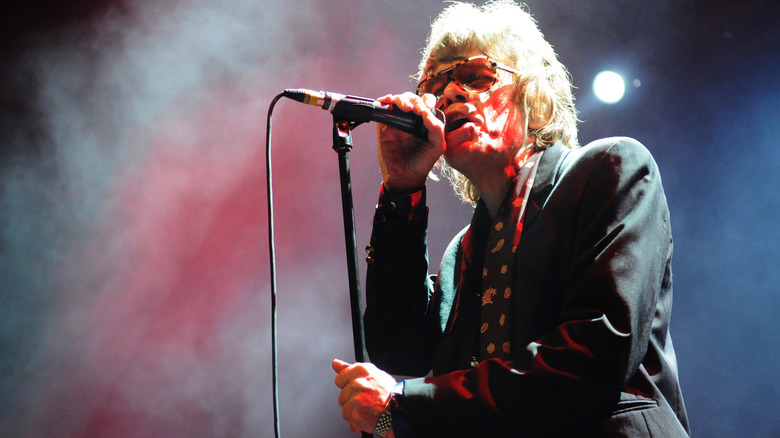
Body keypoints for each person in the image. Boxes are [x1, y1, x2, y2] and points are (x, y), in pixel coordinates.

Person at [331, 1, 690, 437]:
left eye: (475, 76)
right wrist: (402, 191)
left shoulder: (611, 169)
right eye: (436, 84)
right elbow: (399, 351)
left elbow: (595, 355)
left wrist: (405, 399)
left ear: (533, 97)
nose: (449, 94)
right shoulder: (461, 254)